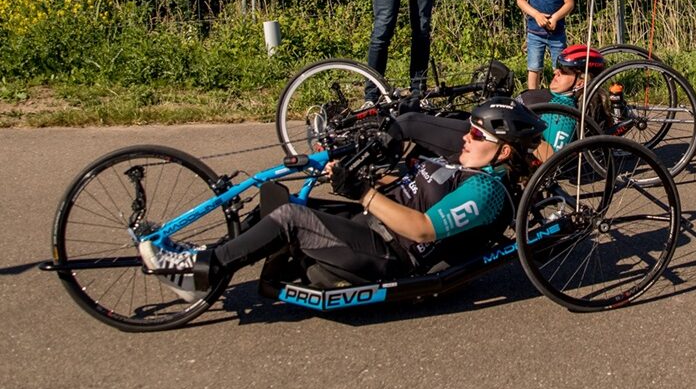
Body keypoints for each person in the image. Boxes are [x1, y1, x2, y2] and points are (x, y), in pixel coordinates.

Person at [139, 99, 547, 302]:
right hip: (377, 229)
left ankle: (201, 270)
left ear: (505, 151)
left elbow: (423, 228)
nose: (464, 136)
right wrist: (362, 176)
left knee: (290, 219)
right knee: (275, 200)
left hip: (395, 255)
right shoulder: (466, 164)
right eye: (469, 129)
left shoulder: (486, 191)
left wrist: (363, 193)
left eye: (476, 135)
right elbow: (414, 186)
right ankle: (204, 265)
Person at [518, 44, 606, 157]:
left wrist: (523, 132)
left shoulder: (563, 112)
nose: (556, 72)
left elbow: (553, 159)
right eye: (558, 67)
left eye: (564, 71)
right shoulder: (555, 97)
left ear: (580, 82)